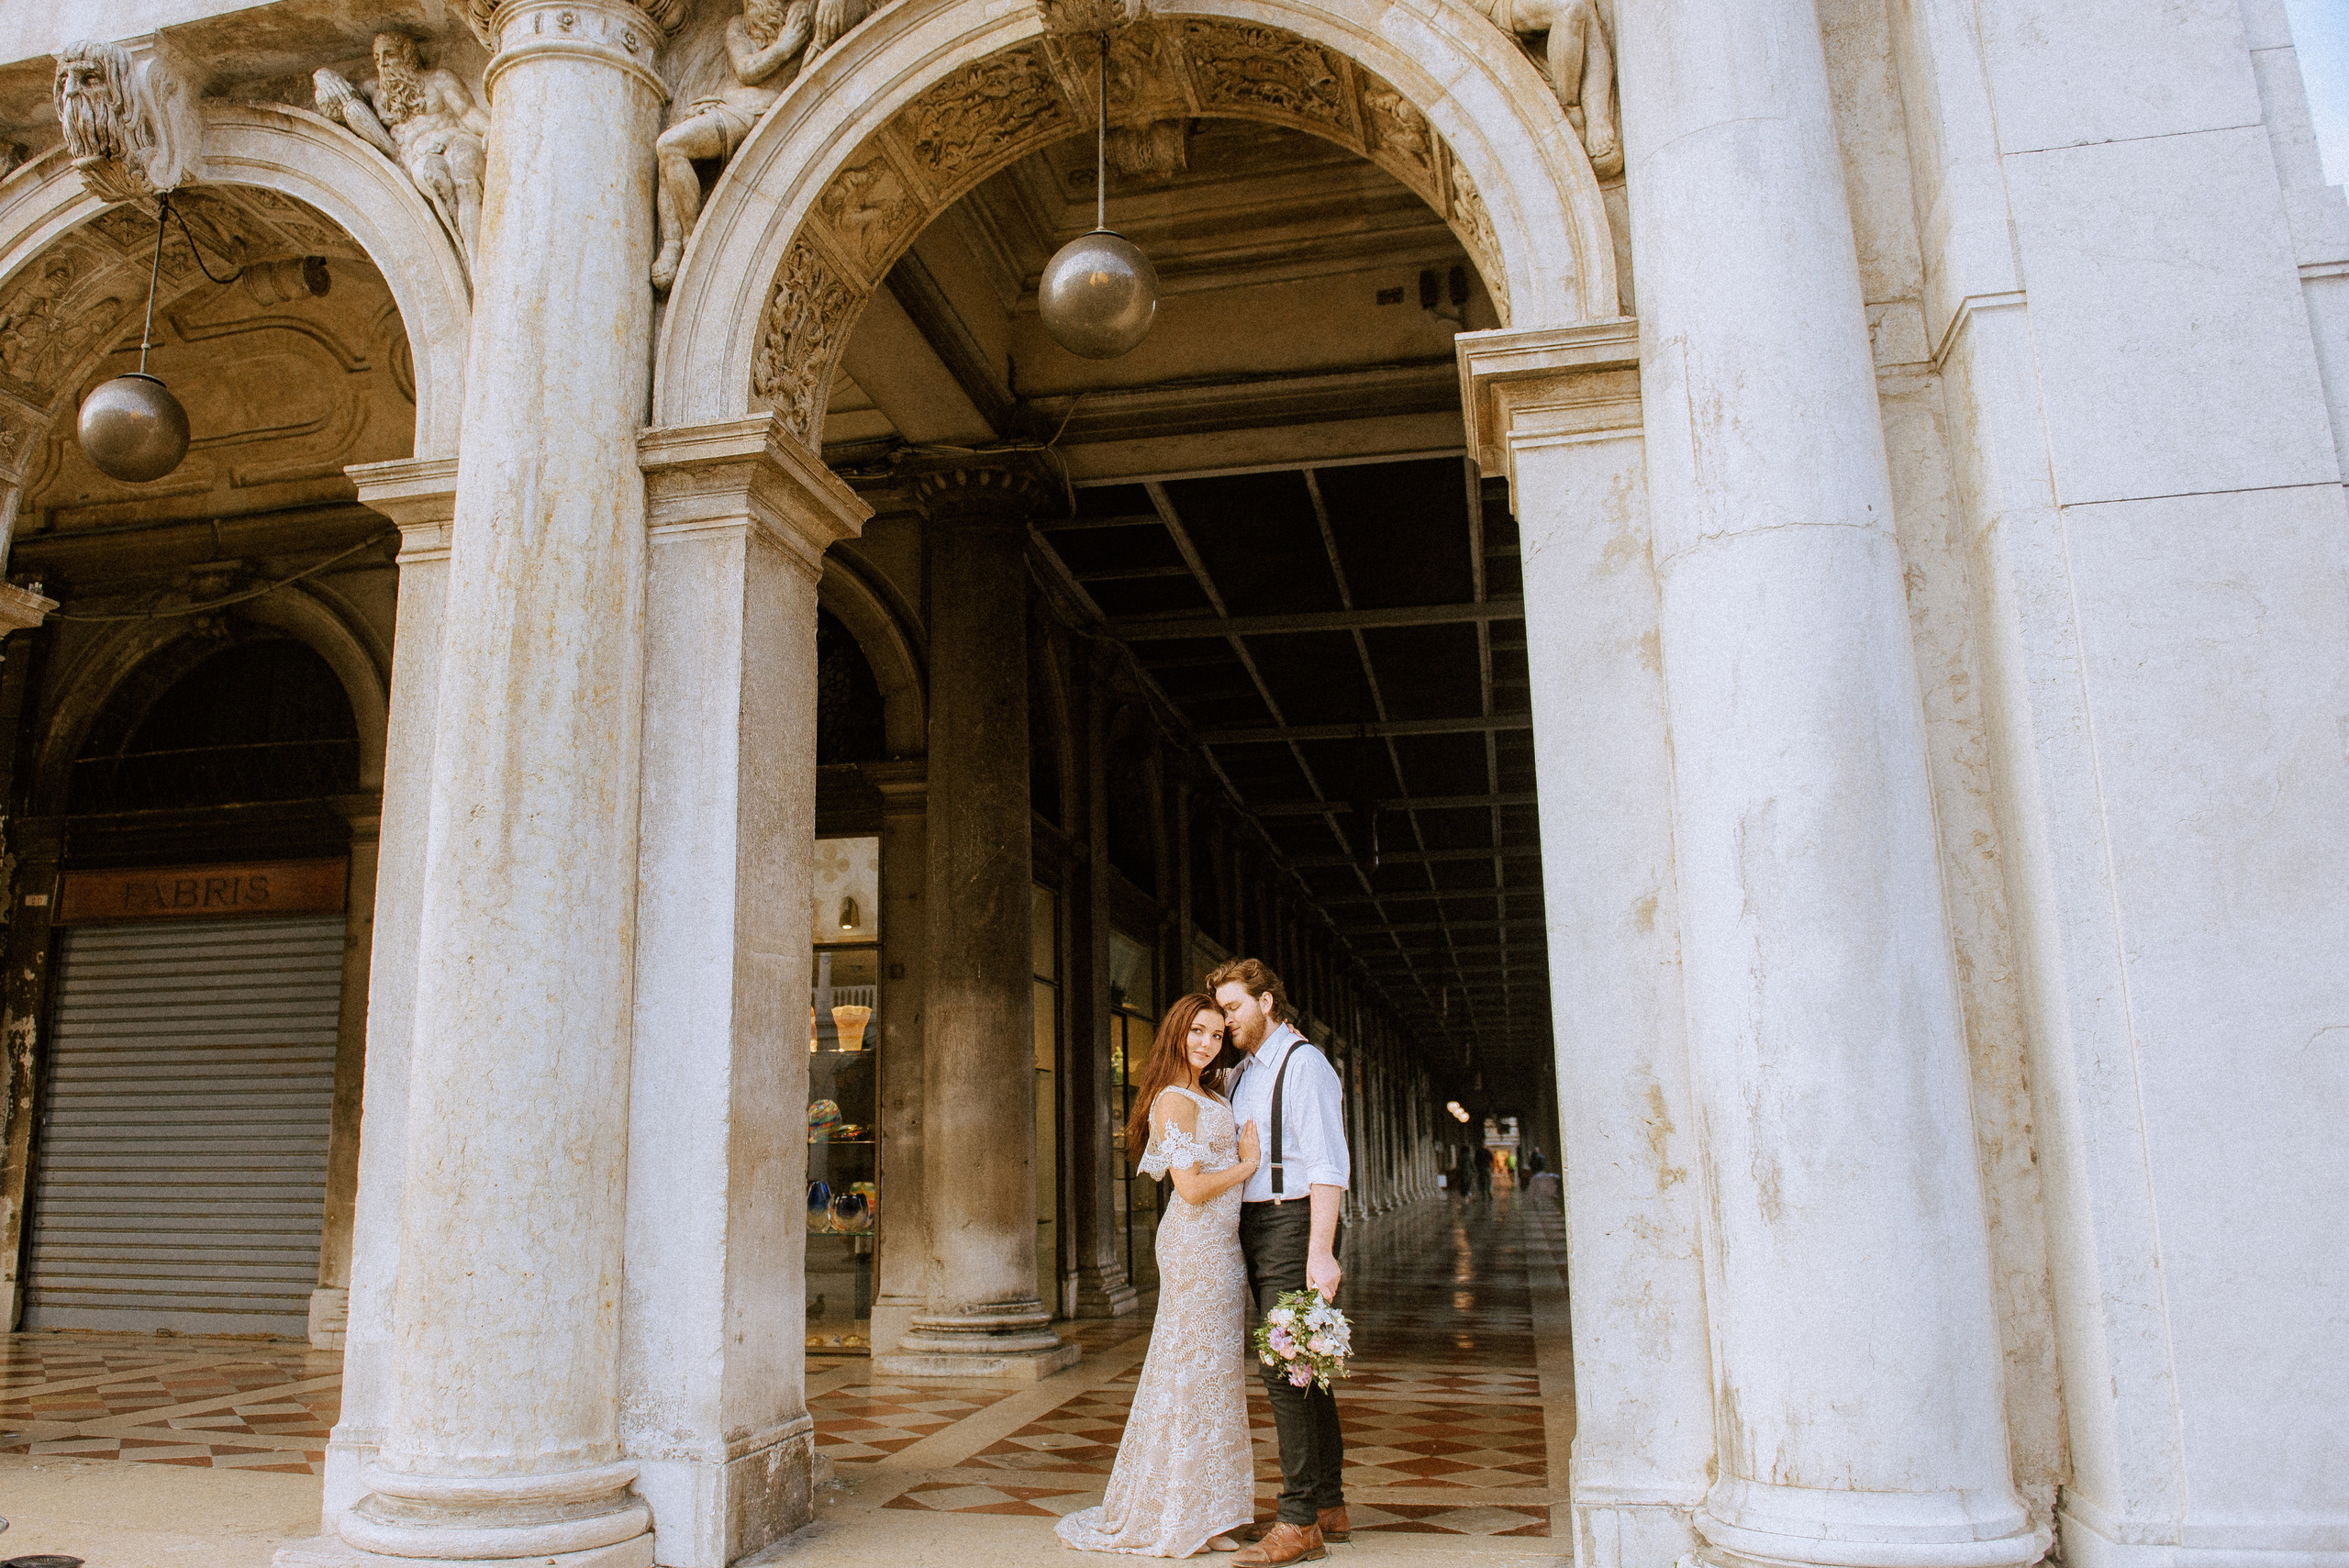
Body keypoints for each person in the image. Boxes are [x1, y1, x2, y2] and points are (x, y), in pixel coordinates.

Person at [1055, 995, 1261, 1558]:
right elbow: (1189, 1188)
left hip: (1221, 1246)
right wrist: (1247, 1164)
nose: (1207, 1044)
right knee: (1192, 1374)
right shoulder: (1173, 1100)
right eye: (1197, 1031)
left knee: (1214, 1376)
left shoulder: (1210, 1092)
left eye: (1217, 1036)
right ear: (1176, 1033)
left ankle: (1209, 1509)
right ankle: (1183, 1514)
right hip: (1195, 1247)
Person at [1211, 957, 1352, 1567]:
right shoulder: (1247, 1070)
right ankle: (1327, 1502)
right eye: (1221, 1009)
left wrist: (1320, 1249)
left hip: (1291, 1223)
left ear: (1267, 1001)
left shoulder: (1305, 1065)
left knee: (1284, 1365)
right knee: (1304, 1367)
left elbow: (1327, 1164)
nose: (1226, 1020)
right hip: (1261, 1223)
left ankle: (1298, 1520)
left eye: (1234, 1007)